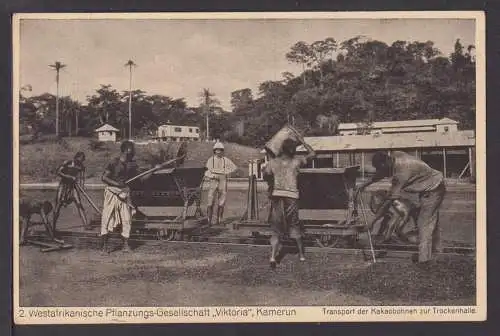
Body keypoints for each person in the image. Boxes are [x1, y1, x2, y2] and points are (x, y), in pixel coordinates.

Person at [356, 151, 446, 266]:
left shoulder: (401, 174)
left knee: (424, 223)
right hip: (431, 185)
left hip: (433, 190)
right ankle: (436, 254)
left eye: (382, 168)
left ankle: (424, 261)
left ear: (387, 161)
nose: (384, 172)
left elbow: (389, 201)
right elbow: (382, 172)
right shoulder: (395, 157)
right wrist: (364, 184)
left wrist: (372, 222)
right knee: (431, 222)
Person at [262, 137, 315, 269]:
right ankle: (302, 255)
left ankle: (273, 257)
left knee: (276, 228)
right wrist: (303, 142)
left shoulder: (273, 162)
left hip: (277, 195)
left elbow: (266, 175)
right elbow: (313, 154)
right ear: (293, 150)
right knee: (294, 224)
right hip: (291, 196)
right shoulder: (296, 161)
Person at [100, 140, 157, 253]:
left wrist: (154, 170)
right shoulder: (114, 162)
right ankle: (104, 247)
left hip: (125, 193)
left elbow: (141, 179)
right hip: (112, 193)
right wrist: (117, 184)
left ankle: (125, 246)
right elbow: (104, 178)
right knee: (107, 219)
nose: (134, 152)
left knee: (127, 220)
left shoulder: (132, 165)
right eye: (133, 149)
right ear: (127, 150)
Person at [52, 151, 90, 233]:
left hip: (73, 187)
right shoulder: (67, 163)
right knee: (58, 205)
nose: (81, 161)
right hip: (64, 186)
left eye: (82, 160)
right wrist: (69, 177)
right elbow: (58, 172)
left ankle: (86, 225)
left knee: (79, 204)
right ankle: (53, 227)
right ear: (77, 157)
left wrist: (81, 188)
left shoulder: (81, 166)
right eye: (81, 159)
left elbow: (81, 178)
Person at [205, 141, 237, 226]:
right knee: (210, 200)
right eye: (217, 150)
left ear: (222, 151)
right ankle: (209, 220)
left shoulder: (225, 160)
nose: (218, 152)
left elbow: (234, 167)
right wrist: (211, 175)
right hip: (214, 179)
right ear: (214, 150)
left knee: (222, 200)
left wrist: (226, 172)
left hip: (223, 179)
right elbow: (206, 171)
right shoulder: (210, 160)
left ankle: (219, 220)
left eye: (220, 150)